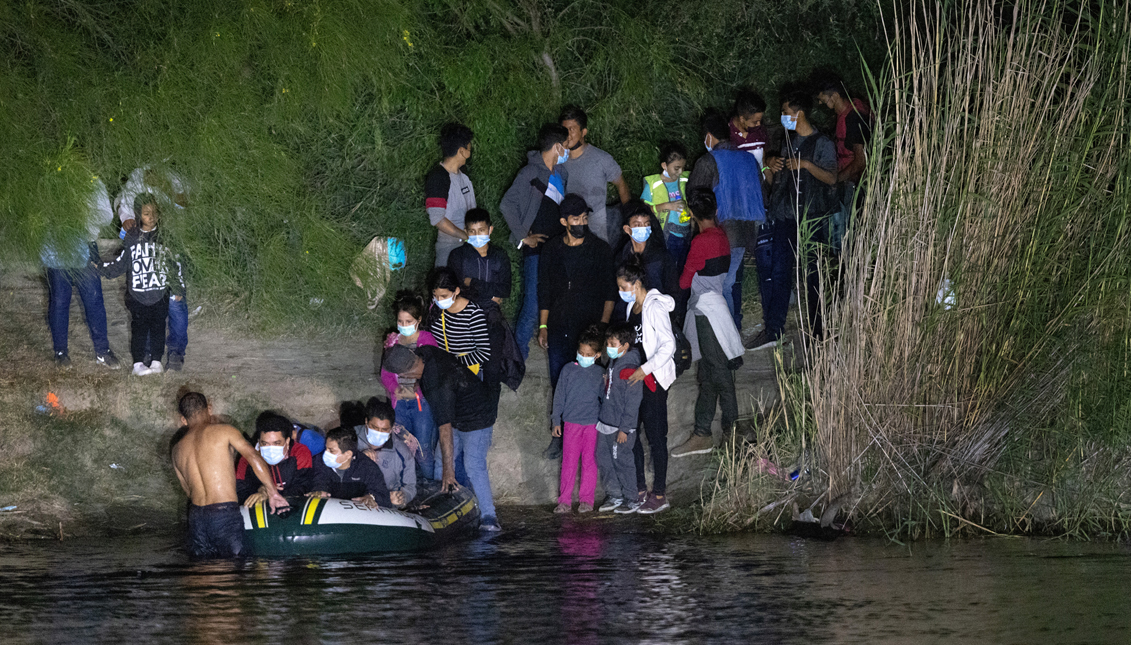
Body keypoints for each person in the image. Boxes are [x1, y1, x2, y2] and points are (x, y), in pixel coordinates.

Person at [382, 343, 502, 531]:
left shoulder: (437, 385)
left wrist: (449, 471)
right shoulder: (425, 352)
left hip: (479, 417)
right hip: (458, 411)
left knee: (473, 465)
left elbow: (444, 429)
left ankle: (489, 517)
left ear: (404, 375)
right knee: (440, 461)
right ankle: (442, 506)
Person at [752, 91, 838, 346]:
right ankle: (774, 330)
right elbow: (773, 180)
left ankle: (818, 332)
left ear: (798, 114)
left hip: (812, 218)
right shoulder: (787, 141)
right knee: (780, 273)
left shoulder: (821, 143)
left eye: (785, 113)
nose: (782, 118)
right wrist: (769, 164)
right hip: (786, 216)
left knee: (813, 275)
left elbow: (832, 178)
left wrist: (807, 166)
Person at [538, 194, 616, 459]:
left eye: (585, 217)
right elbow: (544, 290)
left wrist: (603, 327)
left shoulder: (600, 249)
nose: (582, 222)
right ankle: (559, 435)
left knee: (594, 381)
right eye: (576, 219)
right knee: (560, 381)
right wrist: (543, 325)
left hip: (590, 327)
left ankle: (595, 435)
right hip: (559, 325)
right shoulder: (551, 250)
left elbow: (609, 292)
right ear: (564, 221)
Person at [170, 391, 289, 558]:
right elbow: (253, 457)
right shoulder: (225, 431)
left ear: (183, 419)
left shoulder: (177, 449)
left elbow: (188, 491)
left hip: (196, 518)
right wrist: (272, 492)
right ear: (209, 409)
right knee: (234, 569)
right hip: (223, 514)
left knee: (202, 571)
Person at [671, 190, 744, 459]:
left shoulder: (701, 242)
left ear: (692, 213)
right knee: (710, 373)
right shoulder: (722, 237)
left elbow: (683, 283)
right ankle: (704, 432)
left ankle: (730, 430)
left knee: (717, 372)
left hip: (705, 312)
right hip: (716, 307)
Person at [689, 112, 766, 331]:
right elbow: (762, 194)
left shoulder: (708, 161)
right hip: (745, 234)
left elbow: (695, 198)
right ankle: (731, 332)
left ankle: (725, 338)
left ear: (709, 136)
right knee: (729, 284)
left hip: (717, 235)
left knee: (718, 287)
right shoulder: (749, 159)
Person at [499, 123, 570, 360]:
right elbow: (506, 204)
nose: (567, 151)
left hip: (557, 247)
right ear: (557, 146)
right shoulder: (530, 173)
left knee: (553, 299)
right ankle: (517, 358)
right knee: (532, 303)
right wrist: (522, 236)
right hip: (536, 248)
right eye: (566, 146)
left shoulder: (561, 174)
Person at [97, 195, 186, 376]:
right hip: (137, 296)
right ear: (139, 215)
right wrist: (102, 268)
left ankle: (156, 361)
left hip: (159, 294)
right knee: (139, 329)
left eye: (154, 213)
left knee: (158, 328)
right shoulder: (131, 238)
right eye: (146, 213)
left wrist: (178, 288)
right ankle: (138, 363)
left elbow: (174, 264)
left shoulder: (165, 238)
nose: (151, 217)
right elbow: (122, 263)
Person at [115, 164, 191, 371]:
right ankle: (149, 353)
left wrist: (165, 186)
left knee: (175, 303)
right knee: (147, 303)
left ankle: (175, 352)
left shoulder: (173, 175)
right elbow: (123, 204)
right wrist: (126, 219)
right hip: (145, 250)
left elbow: (186, 204)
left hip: (169, 246)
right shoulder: (137, 174)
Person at [617, 258, 677, 514]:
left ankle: (660, 493)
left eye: (623, 286)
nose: (621, 291)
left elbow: (668, 345)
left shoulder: (655, 308)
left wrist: (645, 369)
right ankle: (640, 488)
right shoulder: (632, 309)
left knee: (655, 436)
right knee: (633, 433)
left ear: (637, 283)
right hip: (636, 382)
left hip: (653, 381)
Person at [41, 176, 120, 369]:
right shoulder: (49, 178)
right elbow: (39, 216)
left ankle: (102, 351)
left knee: (93, 299)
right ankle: (61, 352)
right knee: (60, 301)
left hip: (85, 245)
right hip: (56, 246)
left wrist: (82, 212)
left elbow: (106, 216)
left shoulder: (92, 182)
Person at [380, 291, 440, 481]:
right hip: (400, 405)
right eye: (400, 321)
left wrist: (420, 385)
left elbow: (434, 370)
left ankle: (430, 485)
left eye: (408, 321)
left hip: (421, 404)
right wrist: (393, 388)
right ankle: (409, 487)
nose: (403, 326)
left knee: (423, 449)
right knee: (403, 448)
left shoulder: (427, 340)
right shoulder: (393, 341)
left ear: (418, 319)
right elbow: (386, 372)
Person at [550, 326, 605, 514]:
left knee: (590, 463)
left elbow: (604, 398)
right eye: (581, 353)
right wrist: (556, 420)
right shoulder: (568, 370)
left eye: (588, 354)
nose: (583, 356)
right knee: (569, 462)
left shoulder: (600, 373)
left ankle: (586, 501)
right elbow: (559, 396)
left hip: (592, 424)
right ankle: (564, 500)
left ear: (597, 355)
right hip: (572, 423)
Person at [559, 105, 631, 244]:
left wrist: (630, 215)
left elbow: (621, 183)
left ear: (583, 131)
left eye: (572, 129)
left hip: (596, 222)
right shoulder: (558, 159)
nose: (567, 134)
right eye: (564, 130)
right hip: (568, 223)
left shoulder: (601, 159)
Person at [816, 79, 873, 253]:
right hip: (848, 182)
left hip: (855, 185)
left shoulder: (855, 117)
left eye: (823, 99)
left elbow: (860, 161)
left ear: (834, 95)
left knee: (849, 234)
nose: (821, 103)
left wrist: (836, 180)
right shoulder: (845, 115)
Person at [596, 322, 644, 514]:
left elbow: (633, 402)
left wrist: (625, 428)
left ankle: (632, 498)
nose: (609, 347)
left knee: (622, 461)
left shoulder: (630, 369)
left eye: (613, 343)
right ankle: (614, 494)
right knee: (604, 458)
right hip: (606, 421)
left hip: (620, 426)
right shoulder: (614, 363)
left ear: (625, 346)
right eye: (608, 343)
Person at [235, 411, 315, 506]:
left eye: (277, 443)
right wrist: (260, 490)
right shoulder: (247, 458)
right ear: (258, 442)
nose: (270, 448)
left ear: (287, 441)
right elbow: (239, 490)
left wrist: (271, 493)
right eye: (265, 444)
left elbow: (304, 484)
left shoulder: (300, 452)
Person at [425, 123, 476, 266]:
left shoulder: (463, 175)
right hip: (449, 249)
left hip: (469, 246)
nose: (471, 149)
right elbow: (437, 219)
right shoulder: (438, 177)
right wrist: (465, 236)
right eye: (469, 145)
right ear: (462, 150)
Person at [351, 398, 417, 508]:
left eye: (384, 429)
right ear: (366, 422)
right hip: (351, 501)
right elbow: (332, 468)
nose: (378, 433)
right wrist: (357, 458)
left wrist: (403, 496)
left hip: (384, 508)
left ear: (391, 429)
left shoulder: (402, 452)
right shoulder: (350, 438)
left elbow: (410, 485)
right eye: (374, 427)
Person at [428, 267, 492, 376]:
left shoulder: (473, 313)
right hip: (442, 369)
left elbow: (484, 353)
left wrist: (454, 362)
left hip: (467, 372)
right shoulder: (433, 307)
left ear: (456, 291)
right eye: (435, 295)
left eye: (444, 296)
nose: (439, 300)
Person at [309, 426, 392, 508]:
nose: (326, 453)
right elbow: (314, 481)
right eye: (326, 448)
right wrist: (318, 490)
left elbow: (384, 498)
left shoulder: (368, 468)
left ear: (348, 454)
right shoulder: (317, 461)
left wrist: (371, 498)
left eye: (331, 450)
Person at [642, 142, 692, 274]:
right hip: (667, 235)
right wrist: (667, 206)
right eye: (676, 168)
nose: (680, 171)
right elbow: (644, 209)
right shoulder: (653, 183)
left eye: (682, 167)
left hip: (686, 232)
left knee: (684, 268)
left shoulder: (686, 179)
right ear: (664, 165)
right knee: (669, 268)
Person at [446, 208, 512, 307]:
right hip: (464, 311)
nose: (477, 235)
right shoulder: (457, 255)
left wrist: (472, 282)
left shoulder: (499, 256)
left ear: (490, 230)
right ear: (466, 232)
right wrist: (490, 294)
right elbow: (456, 287)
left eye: (481, 230)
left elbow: (505, 289)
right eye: (472, 231)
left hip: (491, 312)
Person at [615, 200, 677, 298]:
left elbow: (673, 291)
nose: (643, 228)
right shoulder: (621, 257)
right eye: (637, 225)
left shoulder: (661, 257)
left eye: (646, 224)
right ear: (627, 229)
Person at [729, 90, 769, 167]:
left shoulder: (760, 131)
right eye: (755, 122)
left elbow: (765, 160)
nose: (759, 124)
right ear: (742, 119)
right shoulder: (727, 134)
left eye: (760, 120)